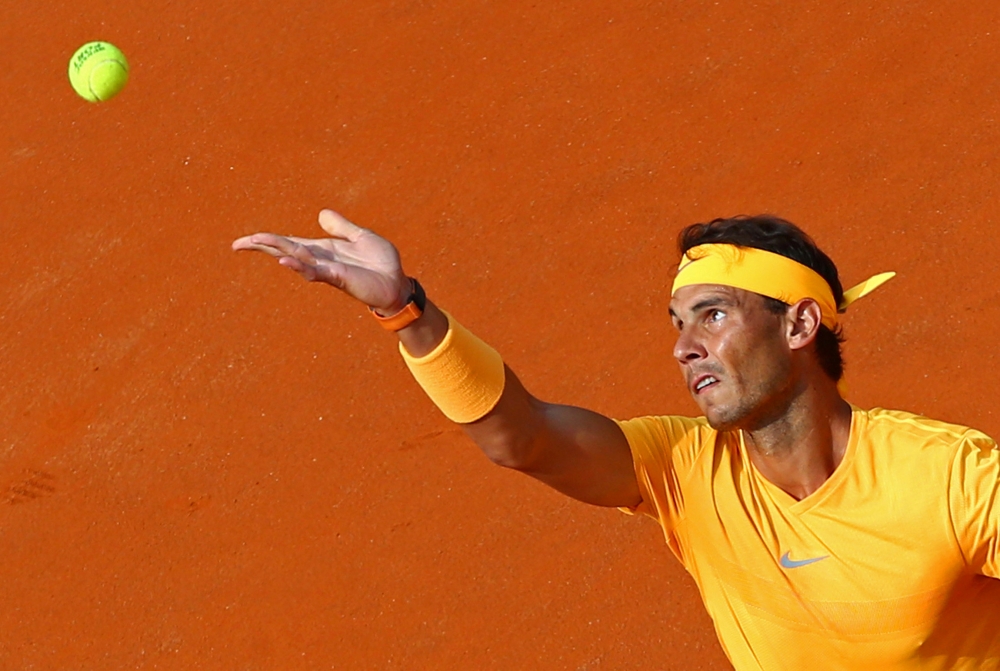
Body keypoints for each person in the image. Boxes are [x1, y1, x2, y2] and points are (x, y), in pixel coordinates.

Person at [233, 209, 1000, 671]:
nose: (683, 346)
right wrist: (407, 311)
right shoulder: (683, 470)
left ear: (798, 325)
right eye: (677, 323)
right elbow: (522, 438)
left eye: (714, 314)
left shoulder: (943, 477)